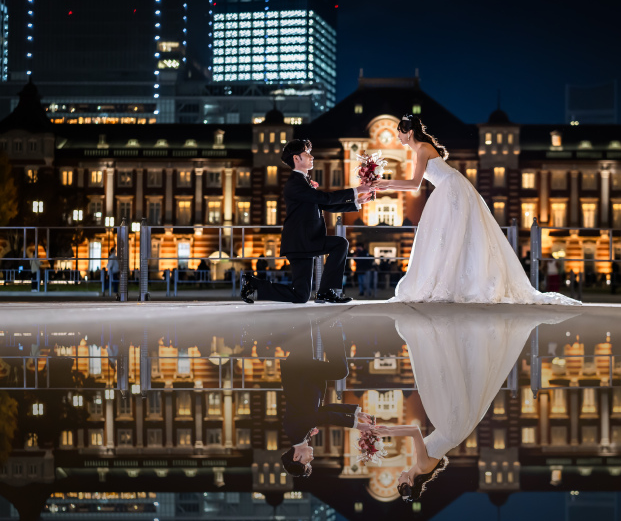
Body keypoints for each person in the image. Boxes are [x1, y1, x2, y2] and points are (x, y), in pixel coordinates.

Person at [373, 306, 580, 501]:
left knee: (454, 380)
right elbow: (414, 430)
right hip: (450, 426)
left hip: (452, 428)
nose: (398, 479)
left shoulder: (422, 468)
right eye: (399, 483)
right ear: (408, 482)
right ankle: (459, 336)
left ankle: (464, 337)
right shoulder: (421, 465)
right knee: (449, 378)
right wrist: (385, 432)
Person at [372, 115, 579, 305]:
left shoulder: (423, 149)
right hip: (448, 187)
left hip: (451, 187)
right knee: (452, 236)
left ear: (408, 132)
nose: (398, 136)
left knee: (453, 235)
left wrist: (386, 183)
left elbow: (414, 184)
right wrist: (385, 184)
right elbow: (415, 183)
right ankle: (458, 281)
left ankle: (463, 282)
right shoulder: (420, 150)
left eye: (399, 131)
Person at [240, 139, 374, 304]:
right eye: (307, 154)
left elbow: (324, 204)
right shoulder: (294, 184)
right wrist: (356, 190)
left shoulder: (303, 182)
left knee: (300, 295)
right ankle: (326, 291)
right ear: (296, 159)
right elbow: (324, 198)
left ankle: (253, 284)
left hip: (305, 242)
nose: (311, 157)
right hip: (300, 242)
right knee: (340, 244)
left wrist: (357, 202)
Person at [280, 319, 374, 477]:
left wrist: (356, 425)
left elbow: (324, 415)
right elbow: (324, 410)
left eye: (306, 461)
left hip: (300, 372)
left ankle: (329, 326)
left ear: (296, 457)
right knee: (305, 336)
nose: (312, 458)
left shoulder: (295, 431)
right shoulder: (302, 434)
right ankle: (326, 324)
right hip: (305, 375)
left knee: (340, 370)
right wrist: (355, 413)